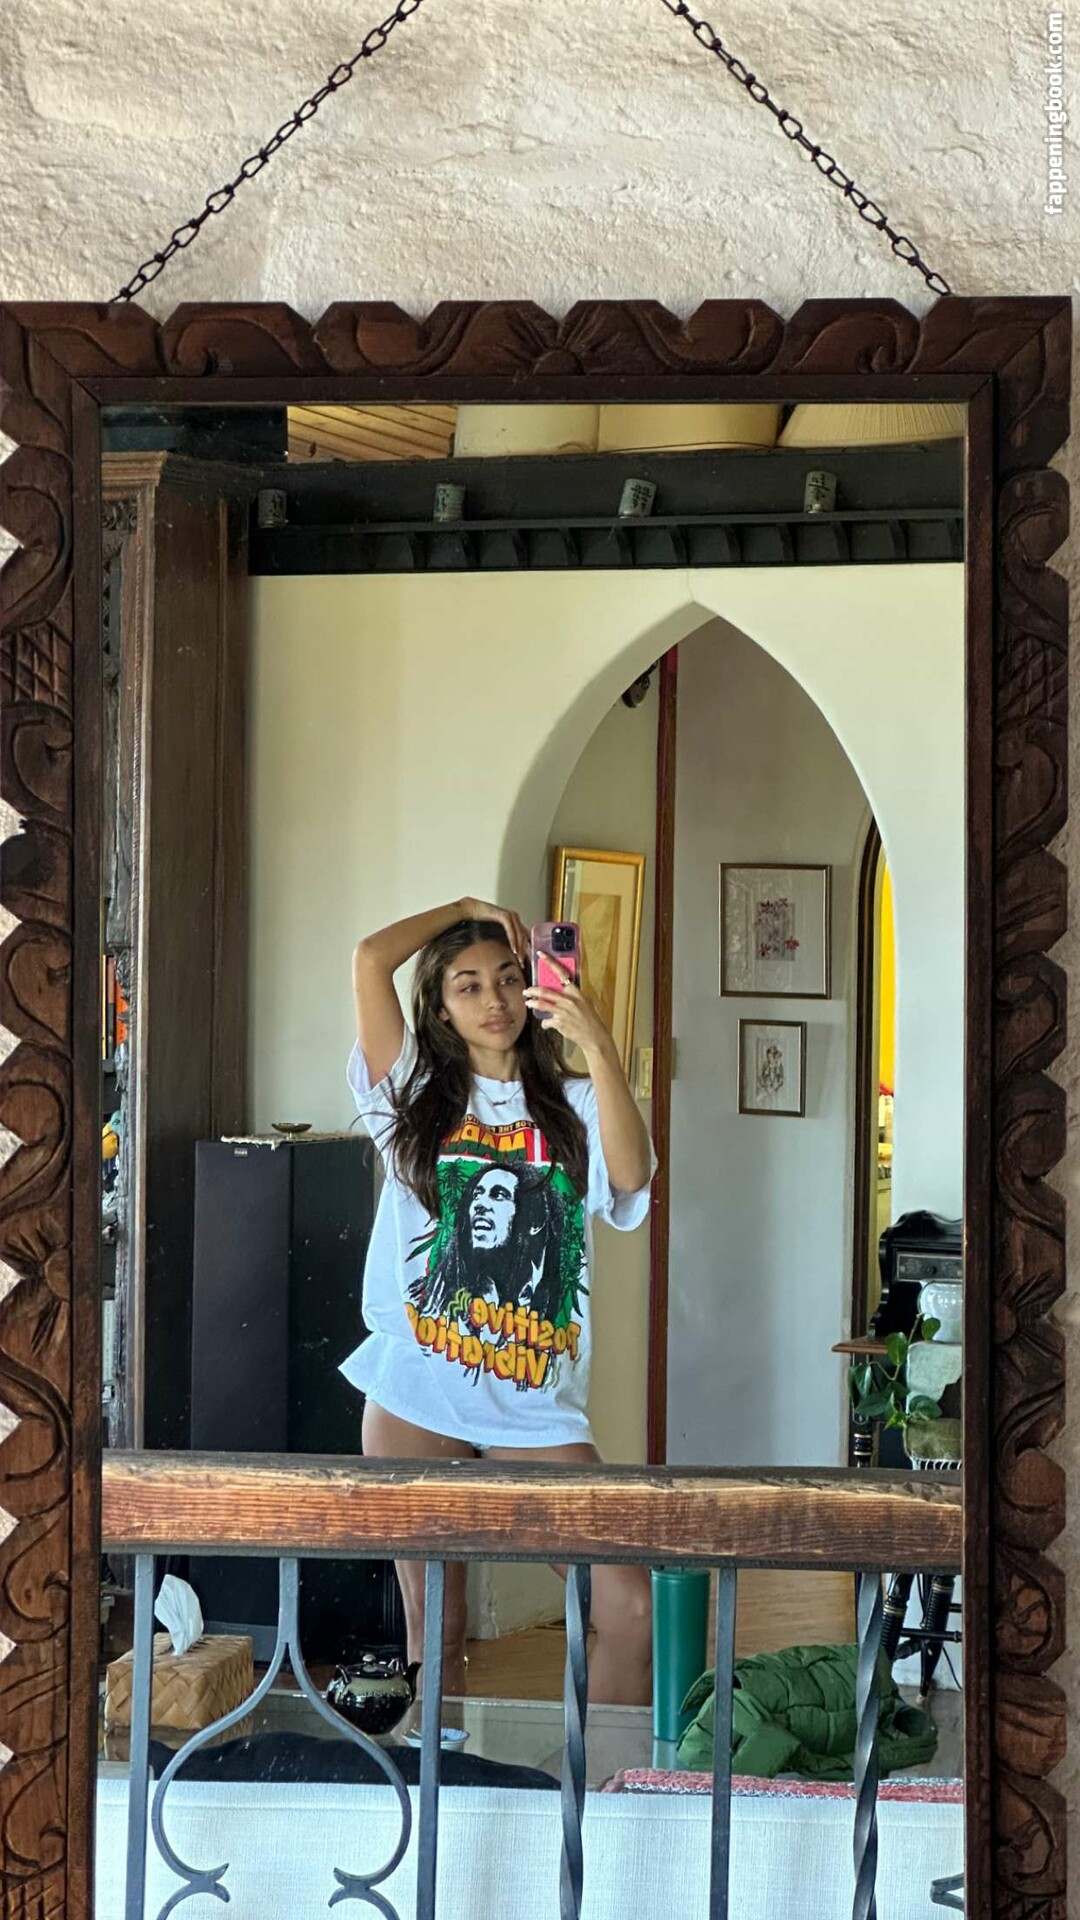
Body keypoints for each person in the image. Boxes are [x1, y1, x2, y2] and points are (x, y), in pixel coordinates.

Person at [340, 895, 657, 1706]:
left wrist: (597, 1042)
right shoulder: (411, 1095)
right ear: (441, 1008)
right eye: (469, 985)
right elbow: (371, 957)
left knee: (630, 1609)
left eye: (511, 978)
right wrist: (465, 907)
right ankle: (440, 1778)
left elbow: (630, 1175)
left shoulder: (574, 1105)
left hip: (533, 1406)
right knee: (438, 1630)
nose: (495, 1000)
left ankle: (606, 1783)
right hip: (419, 1390)